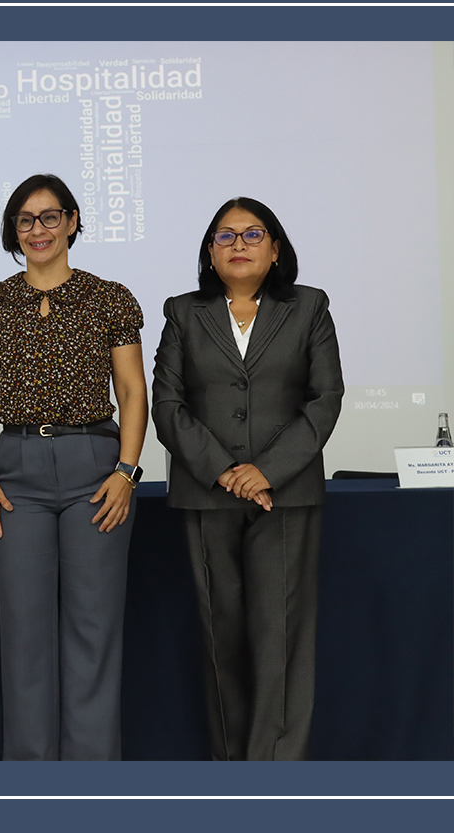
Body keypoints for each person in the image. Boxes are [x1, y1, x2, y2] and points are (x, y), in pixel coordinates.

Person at [0, 173, 148, 761]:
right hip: (16, 470)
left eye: (49, 216)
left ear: (71, 222)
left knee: (94, 629)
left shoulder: (109, 298)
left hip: (96, 466)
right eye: (25, 220)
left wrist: (127, 470)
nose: (37, 229)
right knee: (25, 634)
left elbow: (132, 392)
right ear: (13, 230)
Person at [152, 197, 343, 761]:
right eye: (225, 235)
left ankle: (274, 775)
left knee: (279, 637)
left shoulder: (309, 307)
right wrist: (224, 471)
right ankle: (232, 769)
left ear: (276, 249)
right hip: (206, 493)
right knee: (222, 637)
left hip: (285, 495)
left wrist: (266, 471)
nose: (239, 244)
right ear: (210, 253)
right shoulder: (183, 313)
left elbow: (325, 398)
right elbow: (167, 405)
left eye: (253, 234)